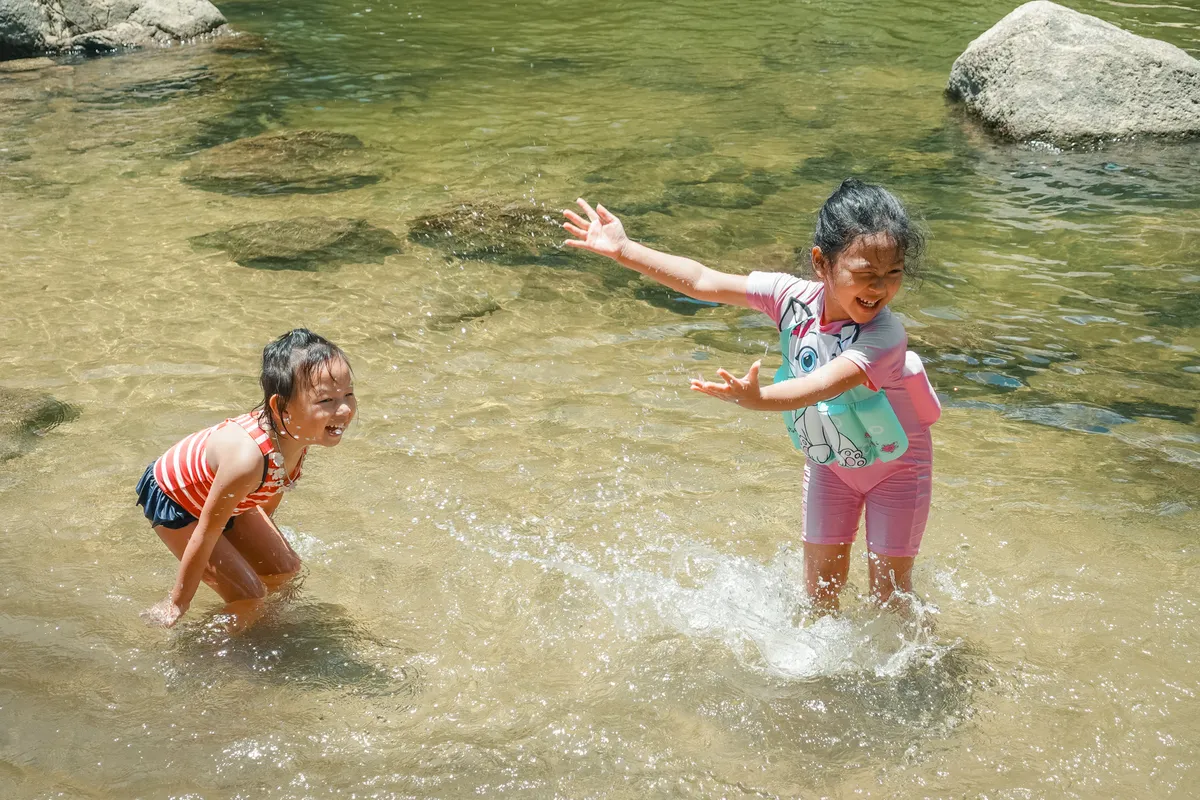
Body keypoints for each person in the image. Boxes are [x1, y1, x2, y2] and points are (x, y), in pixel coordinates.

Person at [563, 179, 939, 612]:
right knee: (819, 593)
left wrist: (758, 399)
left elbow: (821, 385)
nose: (879, 288)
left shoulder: (886, 335)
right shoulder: (790, 299)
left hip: (896, 471)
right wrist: (625, 250)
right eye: (865, 274)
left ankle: (911, 675)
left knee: (891, 597)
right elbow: (703, 280)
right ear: (822, 263)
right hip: (828, 464)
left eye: (893, 274)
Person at [135, 329, 356, 627]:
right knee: (249, 596)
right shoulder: (247, 459)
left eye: (349, 394)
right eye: (326, 400)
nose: (343, 409)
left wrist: (252, 545)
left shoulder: (297, 436)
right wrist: (177, 603)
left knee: (286, 569)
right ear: (280, 408)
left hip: (226, 497)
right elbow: (207, 531)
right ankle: (205, 656)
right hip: (178, 502)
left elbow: (272, 487)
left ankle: (261, 626)